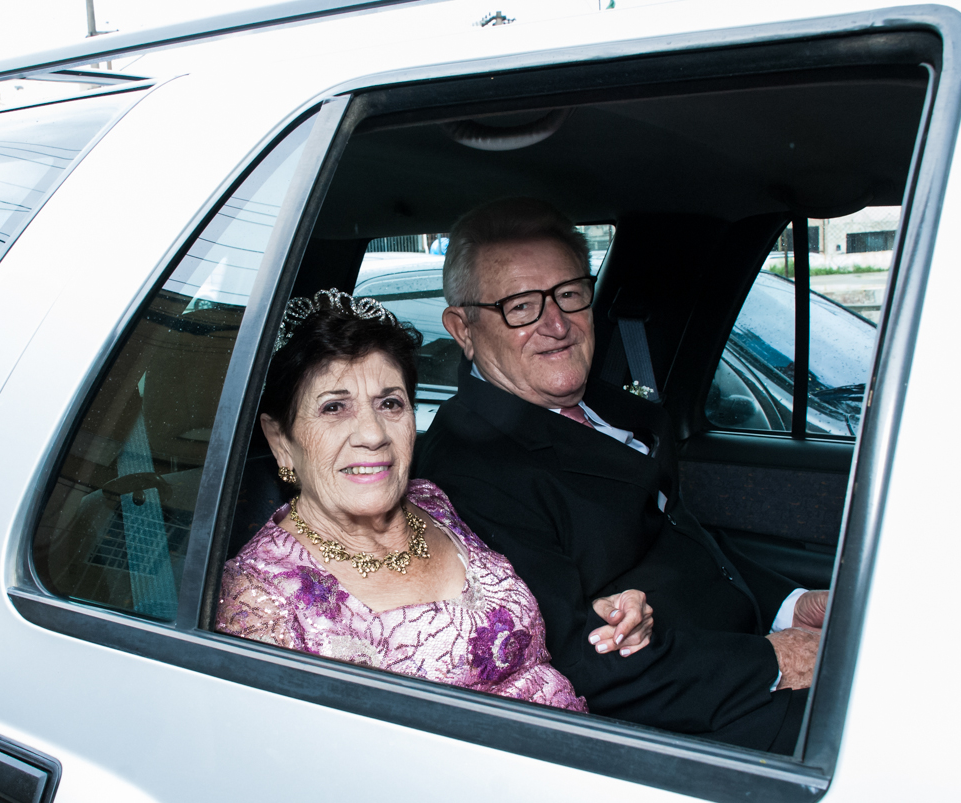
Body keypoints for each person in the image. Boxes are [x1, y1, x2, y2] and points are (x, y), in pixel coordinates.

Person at [415, 198, 826, 753]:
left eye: (569, 294)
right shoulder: (466, 472)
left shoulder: (612, 407)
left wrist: (790, 603)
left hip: (733, 651)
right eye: (521, 306)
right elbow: (579, 658)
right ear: (462, 329)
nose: (556, 324)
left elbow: (680, 539)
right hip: (680, 717)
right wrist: (771, 661)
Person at [215, 289, 586, 712]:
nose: (373, 435)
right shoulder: (258, 598)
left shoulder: (434, 501)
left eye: (390, 403)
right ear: (281, 439)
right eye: (335, 408)